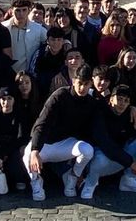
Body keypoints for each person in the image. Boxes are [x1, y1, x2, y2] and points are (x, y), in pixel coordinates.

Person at [24, 64, 98, 201]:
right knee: (27, 157)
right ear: (73, 81)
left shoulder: (91, 102)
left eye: (86, 84)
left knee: (88, 150)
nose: (82, 88)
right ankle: (36, 182)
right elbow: (42, 123)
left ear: (91, 84)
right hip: (45, 143)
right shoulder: (60, 95)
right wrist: (35, 150)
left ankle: (72, 177)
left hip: (66, 144)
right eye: (80, 83)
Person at [83, 85, 136, 198]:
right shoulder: (100, 113)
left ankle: (129, 180)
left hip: (118, 157)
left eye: (126, 100)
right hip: (98, 156)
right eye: (119, 99)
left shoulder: (129, 114)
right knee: (100, 159)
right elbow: (105, 143)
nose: (122, 103)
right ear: (111, 99)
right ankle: (90, 183)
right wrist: (130, 162)